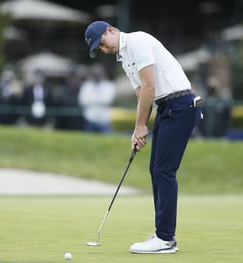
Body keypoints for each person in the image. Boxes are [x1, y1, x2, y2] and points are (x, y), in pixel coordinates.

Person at [84, 21, 202, 254]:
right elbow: (142, 97)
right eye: (99, 49)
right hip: (166, 108)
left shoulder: (137, 41)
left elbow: (149, 86)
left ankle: (165, 239)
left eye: (102, 43)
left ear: (111, 31)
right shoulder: (125, 60)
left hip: (180, 104)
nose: (104, 49)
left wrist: (140, 126)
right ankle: (163, 232)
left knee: (163, 170)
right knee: (156, 169)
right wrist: (139, 130)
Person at [78, 64, 115, 133]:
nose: (97, 76)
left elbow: (107, 100)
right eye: (95, 74)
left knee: (106, 140)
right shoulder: (87, 85)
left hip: (104, 120)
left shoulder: (109, 85)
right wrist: (98, 99)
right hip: (90, 119)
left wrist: (91, 100)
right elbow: (82, 101)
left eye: (99, 74)